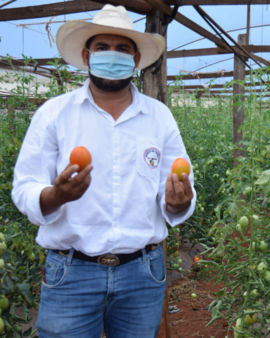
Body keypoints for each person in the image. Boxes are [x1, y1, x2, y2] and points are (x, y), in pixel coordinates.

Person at [11, 5, 196, 337]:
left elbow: (178, 191)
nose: (113, 55)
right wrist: (54, 196)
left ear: (137, 60)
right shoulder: (54, 114)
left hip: (143, 273)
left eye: (123, 49)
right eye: (103, 48)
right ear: (86, 55)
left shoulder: (159, 117)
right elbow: (24, 187)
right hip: (71, 272)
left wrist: (179, 201)